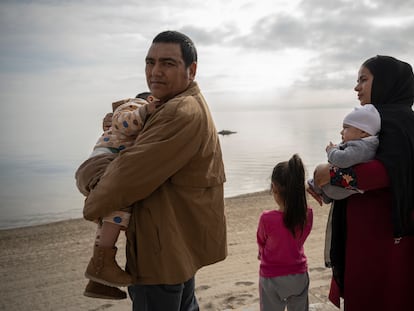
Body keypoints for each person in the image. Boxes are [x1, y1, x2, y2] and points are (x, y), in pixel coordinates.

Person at [75, 30, 227, 311]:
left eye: (168, 63)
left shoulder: (179, 112)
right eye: (150, 62)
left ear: (191, 70)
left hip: (159, 255)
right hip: (178, 246)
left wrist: (89, 181)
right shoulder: (174, 105)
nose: (155, 71)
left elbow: (124, 180)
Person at [311, 55, 414, 310]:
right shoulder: (375, 120)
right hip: (364, 235)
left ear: (387, 82)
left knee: (382, 295)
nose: (357, 87)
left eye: (364, 80)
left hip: (383, 238)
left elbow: (387, 170)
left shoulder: (400, 122)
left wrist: (331, 176)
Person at [80, 96, 156, 299]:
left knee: (107, 219)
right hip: (103, 162)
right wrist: (145, 110)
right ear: (149, 98)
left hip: (102, 163)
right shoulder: (134, 107)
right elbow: (123, 121)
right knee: (121, 200)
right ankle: (104, 262)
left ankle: (98, 280)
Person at [257, 154, 313, 311]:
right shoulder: (307, 215)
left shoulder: (267, 219)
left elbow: (261, 242)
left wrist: (262, 253)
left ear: (274, 188)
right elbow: (300, 239)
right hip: (298, 274)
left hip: (271, 276)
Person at [307, 104, 381, 204]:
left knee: (318, 173)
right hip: (343, 187)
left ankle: (318, 190)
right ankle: (321, 191)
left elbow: (342, 160)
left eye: (346, 128)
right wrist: (337, 147)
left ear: (363, 132)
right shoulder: (363, 144)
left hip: (338, 190)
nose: (341, 132)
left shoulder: (361, 147)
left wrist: (331, 151)